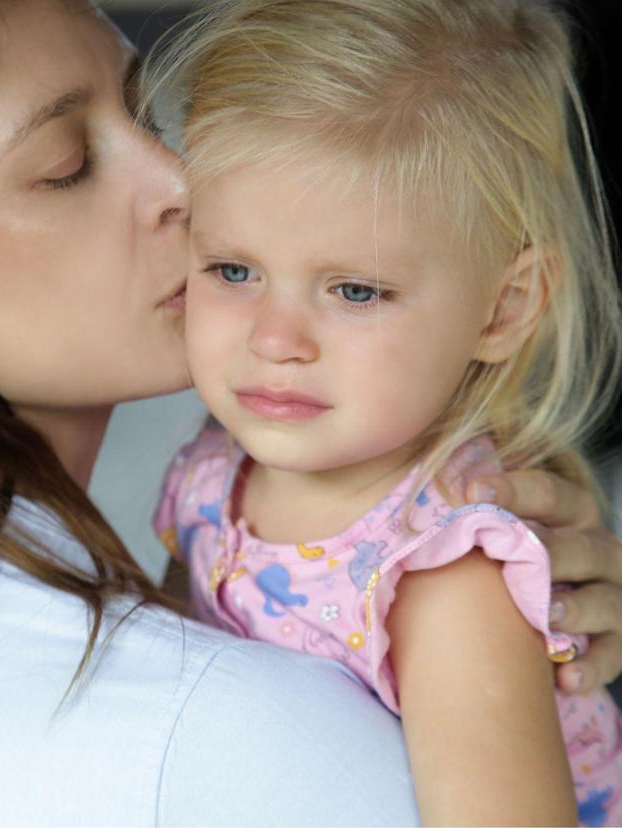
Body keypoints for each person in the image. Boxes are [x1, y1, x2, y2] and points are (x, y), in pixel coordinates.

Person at [0, 0, 622, 825]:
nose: (182, 185)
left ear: (506, 306)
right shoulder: (197, 715)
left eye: (143, 109)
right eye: (68, 163)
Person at [149, 0, 622, 824]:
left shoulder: (445, 574)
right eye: (232, 269)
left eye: (356, 290)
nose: (274, 338)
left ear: (502, 309)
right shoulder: (218, 463)